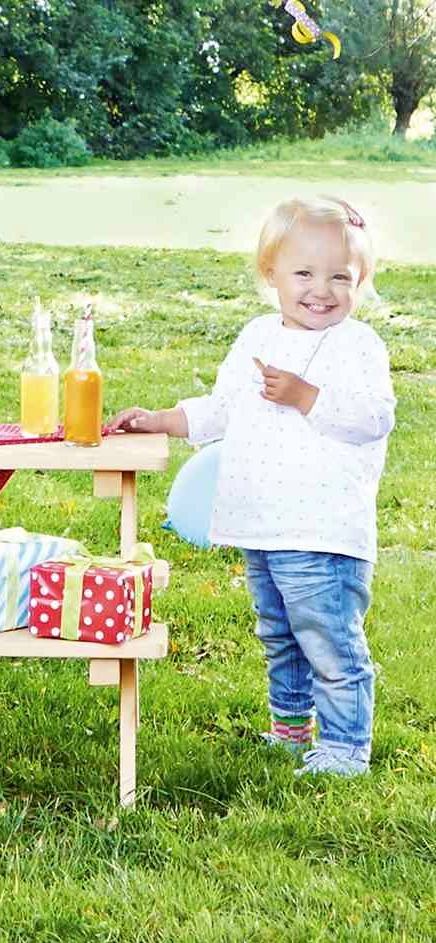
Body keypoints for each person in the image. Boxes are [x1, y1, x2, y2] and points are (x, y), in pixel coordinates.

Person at [108, 195, 395, 778]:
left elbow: (374, 419)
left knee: (329, 639)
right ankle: (290, 730)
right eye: (305, 273)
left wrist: (305, 396)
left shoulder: (357, 345)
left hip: (322, 530)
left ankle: (344, 747)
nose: (323, 290)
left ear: (359, 280)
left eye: (341, 276)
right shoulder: (256, 335)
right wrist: (161, 419)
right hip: (261, 523)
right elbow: (221, 410)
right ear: (272, 274)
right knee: (280, 634)